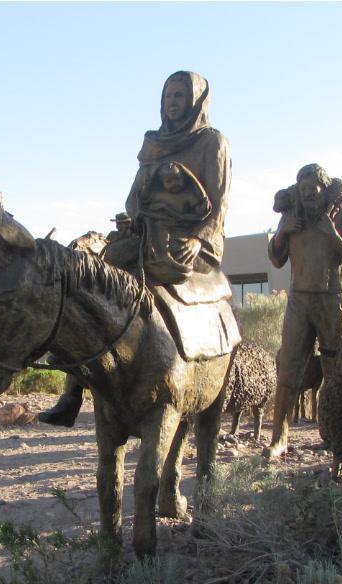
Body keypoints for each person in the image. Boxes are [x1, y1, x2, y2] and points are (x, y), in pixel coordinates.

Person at [40, 70, 231, 426]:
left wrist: (199, 238)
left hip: (189, 240)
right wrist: (134, 218)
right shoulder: (154, 142)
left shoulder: (212, 142)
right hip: (147, 233)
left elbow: (218, 202)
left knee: (159, 274)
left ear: (196, 101)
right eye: (168, 96)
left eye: (180, 96)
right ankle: (73, 388)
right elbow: (134, 197)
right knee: (95, 283)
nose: (172, 103)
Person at [262, 163, 342, 461]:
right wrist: (282, 232)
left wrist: (333, 236)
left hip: (334, 301)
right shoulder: (291, 218)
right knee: (289, 368)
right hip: (299, 302)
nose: (307, 194)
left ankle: (339, 435)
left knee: (340, 369)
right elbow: (276, 259)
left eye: (313, 189)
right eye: (303, 189)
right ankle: (279, 438)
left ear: (324, 189)